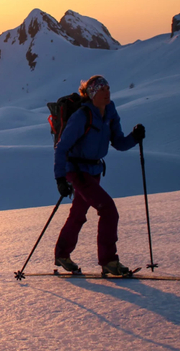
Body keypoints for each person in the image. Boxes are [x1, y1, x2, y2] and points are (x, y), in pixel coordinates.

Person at [53, 75, 145, 276]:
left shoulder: (110, 113)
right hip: (77, 171)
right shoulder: (82, 116)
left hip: (93, 171)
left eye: (108, 88)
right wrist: (60, 178)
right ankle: (109, 261)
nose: (107, 92)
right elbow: (62, 148)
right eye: (102, 89)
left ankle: (62, 254)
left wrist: (135, 138)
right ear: (92, 94)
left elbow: (119, 142)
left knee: (78, 213)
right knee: (108, 209)